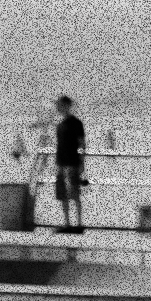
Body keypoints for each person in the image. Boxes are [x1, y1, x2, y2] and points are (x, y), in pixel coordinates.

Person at [54, 95, 86, 234]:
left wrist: (82, 163)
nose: (58, 107)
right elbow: (59, 145)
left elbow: (82, 144)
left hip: (72, 163)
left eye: (60, 105)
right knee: (63, 195)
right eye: (58, 105)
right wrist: (56, 164)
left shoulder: (76, 123)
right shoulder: (60, 124)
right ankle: (67, 224)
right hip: (61, 163)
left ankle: (79, 224)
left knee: (75, 194)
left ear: (67, 106)